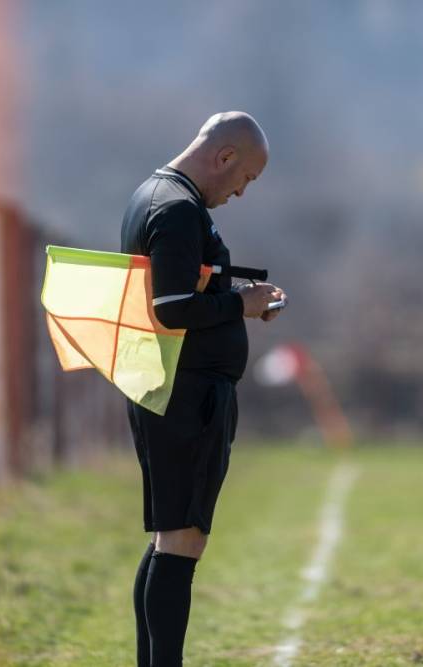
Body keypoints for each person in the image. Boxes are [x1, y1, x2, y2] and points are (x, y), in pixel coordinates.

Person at [120, 111, 285, 666]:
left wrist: (236, 296)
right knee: (181, 540)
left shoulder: (157, 193)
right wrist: (243, 304)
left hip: (171, 387)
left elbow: (181, 290)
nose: (241, 192)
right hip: (186, 394)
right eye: (246, 179)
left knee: (170, 538)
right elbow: (169, 309)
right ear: (224, 157)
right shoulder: (177, 208)